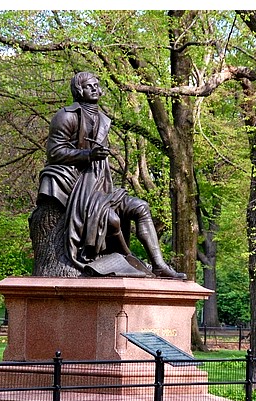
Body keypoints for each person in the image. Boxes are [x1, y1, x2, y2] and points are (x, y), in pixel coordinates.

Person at [34, 71, 185, 279]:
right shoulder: (66, 116)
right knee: (110, 219)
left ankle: (159, 265)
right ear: (79, 90)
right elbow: (54, 152)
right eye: (89, 86)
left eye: (96, 85)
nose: (95, 89)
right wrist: (88, 155)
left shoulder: (104, 119)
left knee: (141, 207)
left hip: (100, 184)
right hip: (77, 186)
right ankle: (115, 256)